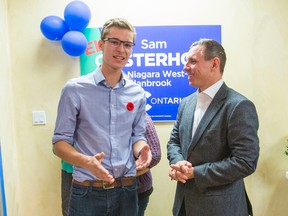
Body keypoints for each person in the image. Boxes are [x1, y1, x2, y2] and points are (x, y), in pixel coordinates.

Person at [52, 18, 152, 216]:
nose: (121, 50)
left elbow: (137, 136)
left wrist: (143, 150)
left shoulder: (137, 93)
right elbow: (59, 144)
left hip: (126, 189)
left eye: (127, 44)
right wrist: (86, 161)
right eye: (114, 42)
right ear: (100, 44)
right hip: (87, 190)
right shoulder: (75, 89)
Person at [167, 39, 259, 216]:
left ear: (214, 64)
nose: (185, 67)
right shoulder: (186, 103)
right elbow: (174, 141)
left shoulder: (238, 106)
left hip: (221, 208)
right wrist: (178, 162)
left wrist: (195, 173)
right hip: (184, 205)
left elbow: (245, 162)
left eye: (192, 61)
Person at [60, 113, 161, 216]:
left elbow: (155, 155)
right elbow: (59, 146)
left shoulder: (139, 116)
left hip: (133, 188)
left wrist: (121, 174)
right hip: (89, 185)